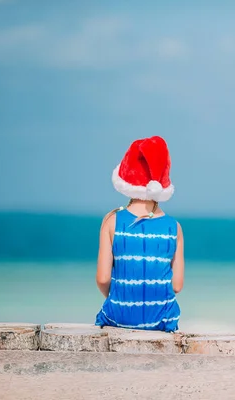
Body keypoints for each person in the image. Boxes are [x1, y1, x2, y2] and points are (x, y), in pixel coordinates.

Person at [95, 136, 184, 332]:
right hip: (161, 320)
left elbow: (102, 278)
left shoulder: (112, 221)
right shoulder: (173, 227)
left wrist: (123, 298)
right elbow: (176, 285)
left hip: (118, 315)